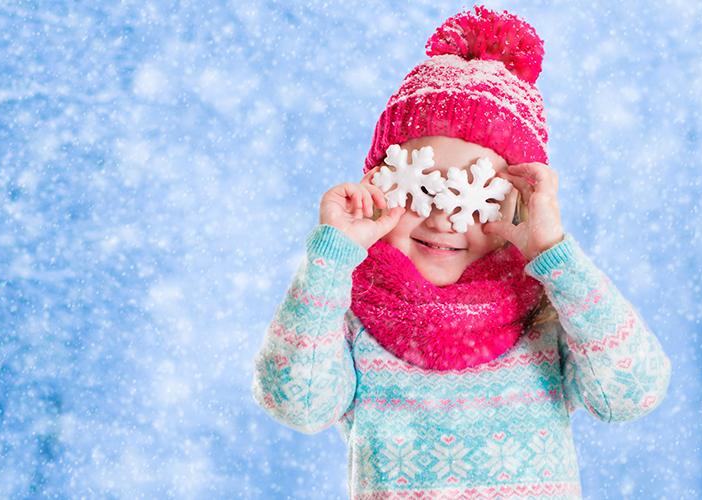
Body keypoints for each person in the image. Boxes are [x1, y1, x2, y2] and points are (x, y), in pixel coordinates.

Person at [252, 7, 671, 499]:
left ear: (516, 206)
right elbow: (294, 402)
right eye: (422, 190)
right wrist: (330, 260)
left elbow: (632, 392)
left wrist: (555, 254)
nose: (444, 219)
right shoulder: (348, 317)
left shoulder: (546, 314)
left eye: (476, 199)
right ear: (378, 186)